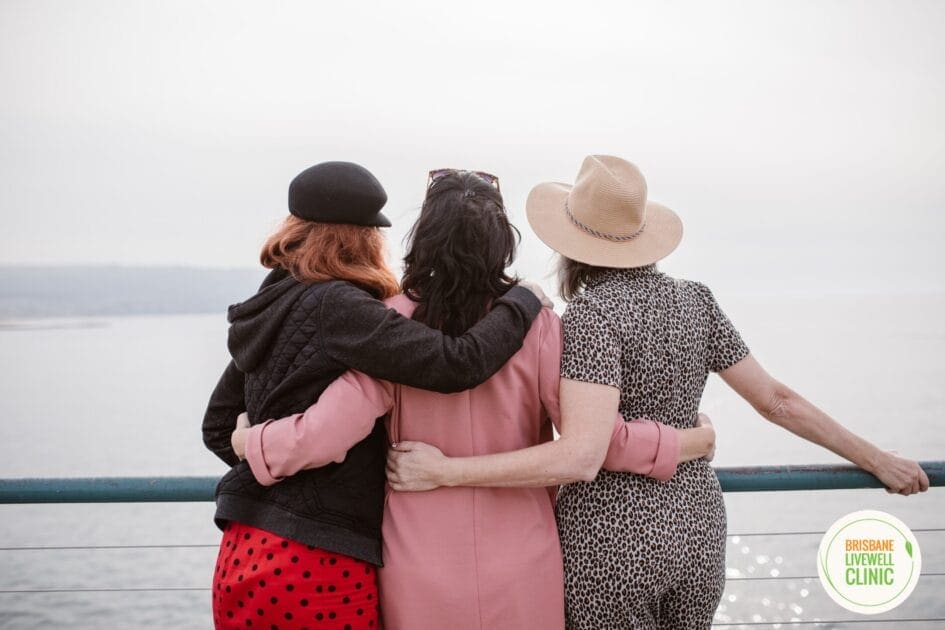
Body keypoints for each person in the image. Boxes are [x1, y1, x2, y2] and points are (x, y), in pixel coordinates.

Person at [385, 155, 931, 629]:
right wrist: (876, 459)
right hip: (698, 527)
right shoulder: (697, 300)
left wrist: (445, 471)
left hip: (611, 539)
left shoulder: (591, 316)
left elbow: (584, 450)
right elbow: (776, 401)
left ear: (572, 244)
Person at [230, 169, 718, 630]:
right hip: (524, 564)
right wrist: (686, 441)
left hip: (418, 568)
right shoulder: (541, 327)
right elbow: (598, 443)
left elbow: (323, 435)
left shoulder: (390, 324)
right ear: (502, 244)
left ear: (423, 239)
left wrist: (252, 442)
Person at [201, 161, 552, 630]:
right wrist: (524, 300)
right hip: (319, 559)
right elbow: (458, 363)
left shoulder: (272, 306)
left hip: (246, 548)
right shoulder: (347, 309)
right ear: (364, 238)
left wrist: (256, 453)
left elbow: (219, 427)